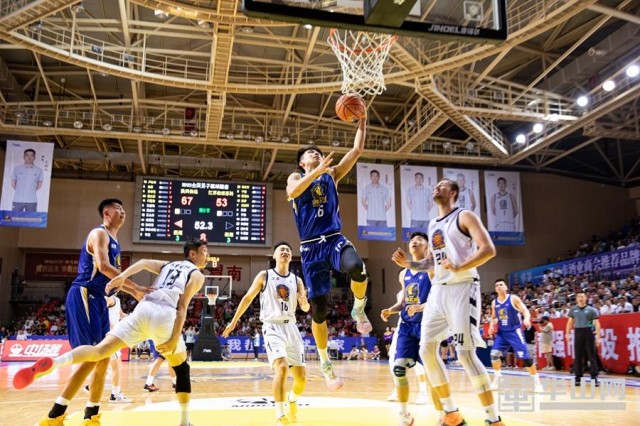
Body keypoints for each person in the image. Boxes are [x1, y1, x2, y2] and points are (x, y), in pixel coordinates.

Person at [14, 237, 210, 426]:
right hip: (165, 315)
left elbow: (142, 262)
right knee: (181, 368)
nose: (207, 256)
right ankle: (184, 422)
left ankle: (56, 362)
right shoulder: (197, 275)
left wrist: (121, 277)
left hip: (143, 308)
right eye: (204, 251)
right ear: (192, 254)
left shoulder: (167, 264)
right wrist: (174, 338)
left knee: (99, 351)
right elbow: (182, 307)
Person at [392, 178, 504, 426]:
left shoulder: (465, 216)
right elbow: (431, 263)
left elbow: (488, 249)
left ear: (453, 192)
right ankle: (451, 412)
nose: (437, 187)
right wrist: (408, 264)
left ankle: (493, 418)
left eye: (442, 185)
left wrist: (459, 266)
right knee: (426, 350)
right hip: (438, 292)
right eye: (436, 185)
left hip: (462, 287)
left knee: (465, 354)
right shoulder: (433, 224)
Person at [26, 198, 147, 426]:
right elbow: (103, 267)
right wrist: (135, 289)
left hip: (99, 298)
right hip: (85, 293)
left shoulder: (116, 241)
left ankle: (91, 416)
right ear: (107, 213)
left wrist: (130, 290)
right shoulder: (99, 233)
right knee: (92, 356)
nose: (123, 211)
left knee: (102, 357)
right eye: (118, 208)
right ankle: (53, 416)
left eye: (123, 208)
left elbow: (113, 279)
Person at [286, 116, 371, 390]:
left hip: (333, 238)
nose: (315, 153)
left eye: (318, 152)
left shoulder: (331, 174)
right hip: (310, 248)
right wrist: (316, 171)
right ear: (302, 162)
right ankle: (325, 364)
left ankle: (359, 309)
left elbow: (356, 150)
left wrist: (362, 121)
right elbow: (292, 192)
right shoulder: (296, 177)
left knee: (356, 266)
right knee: (319, 311)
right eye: (310, 153)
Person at [223, 241, 309, 426]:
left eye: (288, 250)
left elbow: (305, 307)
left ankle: (292, 400)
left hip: (291, 327)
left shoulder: (297, 280)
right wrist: (234, 321)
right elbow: (247, 298)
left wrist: (304, 303)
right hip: (272, 327)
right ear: (274, 256)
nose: (285, 251)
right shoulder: (265, 276)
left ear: (291, 256)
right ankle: (280, 415)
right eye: (281, 250)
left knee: (301, 379)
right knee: (282, 368)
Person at [381, 232, 442, 426]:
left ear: (427, 247)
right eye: (412, 240)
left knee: (432, 373)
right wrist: (391, 310)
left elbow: (439, 299)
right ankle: (404, 416)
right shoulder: (403, 274)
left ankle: (443, 415)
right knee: (399, 369)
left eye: (420, 240)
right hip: (407, 327)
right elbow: (404, 302)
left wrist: (421, 307)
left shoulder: (432, 268)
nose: (415, 241)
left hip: (426, 326)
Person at [488, 279, 543, 393]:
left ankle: (537, 382)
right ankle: (497, 378)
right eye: (497, 285)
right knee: (494, 355)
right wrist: (491, 326)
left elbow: (525, 311)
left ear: (506, 287)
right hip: (502, 333)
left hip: (514, 332)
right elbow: (493, 317)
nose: (499, 286)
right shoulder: (494, 303)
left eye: (501, 285)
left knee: (526, 359)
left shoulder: (513, 298)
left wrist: (526, 319)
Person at [84, 295, 133, 403]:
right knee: (116, 365)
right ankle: (115, 395)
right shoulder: (107, 298)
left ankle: (91, 386)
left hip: (111, 335)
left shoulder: (117, 299)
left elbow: (121, 314)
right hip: (108, 335)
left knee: (105, 365)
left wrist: (133, 318)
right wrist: (112, 328)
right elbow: (100, 313)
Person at [566, 291, 601, 386]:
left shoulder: (591, 310)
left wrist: (598, 337)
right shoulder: (573, 310)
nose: (581, 298)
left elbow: (597, 323)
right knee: (578, 356)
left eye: (582, 296)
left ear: (586, 298)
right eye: (579, 297)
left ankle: (594, 377)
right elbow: (569, 322)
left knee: (591, 355)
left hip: (588, 331)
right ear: (576, 299)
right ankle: (578, 378)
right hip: (578, 332)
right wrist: (567, 334)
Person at [11, 148, 43, 212]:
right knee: (15, 217)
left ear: (34, 157)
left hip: (32, 200)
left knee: (31, 217)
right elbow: (13, 182)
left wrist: (31, 190)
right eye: (27, 155)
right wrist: (19, 190)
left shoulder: (38, 170)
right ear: (24, 157)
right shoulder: (17, 168)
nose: (29, 157)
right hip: (18, 199)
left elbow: (39, 184)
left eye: (32, 155)